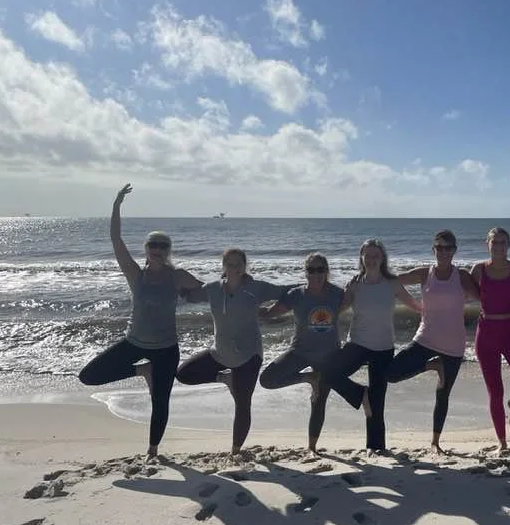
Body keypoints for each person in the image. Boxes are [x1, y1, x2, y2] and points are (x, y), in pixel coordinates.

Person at [78, 184, 201, 458]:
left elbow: (210, 292)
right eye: (152, 245)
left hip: (166, 348)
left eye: (163, 246)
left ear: (168, 250)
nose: (157, 249)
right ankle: (141, 372)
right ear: (146, 249)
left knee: (161, 401)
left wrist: (244, 294)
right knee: (89, 376)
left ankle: (153, 450)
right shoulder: (136, 275)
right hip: (134, 342)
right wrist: (116, 205)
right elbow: (116, 240)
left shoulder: (177, 275)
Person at [176, 248, 290, 455]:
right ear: (223, 266)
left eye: (238, 264)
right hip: (220, 353)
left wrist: (273, 311)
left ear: (244, 266)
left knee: (243, 404)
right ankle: (224, 378)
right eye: (229, 263)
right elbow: (190, 296)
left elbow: (286, 292)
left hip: (249, 356)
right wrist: (173, 282)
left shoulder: (256, 288)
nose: (234, 268)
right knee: (183, 373)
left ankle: (235, 451)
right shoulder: (213, 289)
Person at [321, 239, 421, 455]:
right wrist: (317, 318)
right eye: (368, 255)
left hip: (383, 348)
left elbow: (415, 305)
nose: (372, 259)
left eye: (376, 255)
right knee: (328, 372)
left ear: (382, 258)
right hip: (357, 343)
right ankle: (360, 395)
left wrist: (437, 315)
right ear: (362, 258)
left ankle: (375, 448)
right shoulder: (355, 284)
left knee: (377, 401)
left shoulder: (392, 283)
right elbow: (339, 309)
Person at [387, 230, 479, 454]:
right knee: (390, 373)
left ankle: (435, 442)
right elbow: (391, 282)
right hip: (426, 338)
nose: (444, 252)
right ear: (433, 250)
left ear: (455, 251)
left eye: (448, 248)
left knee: (442, 395)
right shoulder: (424, 274)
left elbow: (484, 296)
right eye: (440, 247)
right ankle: (432, 366)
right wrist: (366, 276)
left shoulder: (462, 276)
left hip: (454, 345)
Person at [258, 252, 346, 453]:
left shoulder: (338, 293)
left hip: (329, 355)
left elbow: (363, 303)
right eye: (311, 270)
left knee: (319, 401)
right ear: (305, 273)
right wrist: (245, 306)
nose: (316, 274)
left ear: (327, 272)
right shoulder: (296, 295)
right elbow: (270, 313)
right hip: (300, 352)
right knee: (267, 380)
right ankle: (309, 378)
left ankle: (312, 448)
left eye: (320, 269)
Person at [470, 228, 510, 454]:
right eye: (494, 242)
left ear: (509, 245)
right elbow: (462, 292)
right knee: (495, 392)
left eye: (503, 242)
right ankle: (502, 442)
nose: (499, 246)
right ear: (487, 244)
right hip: (486, 332)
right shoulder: (478, 270)